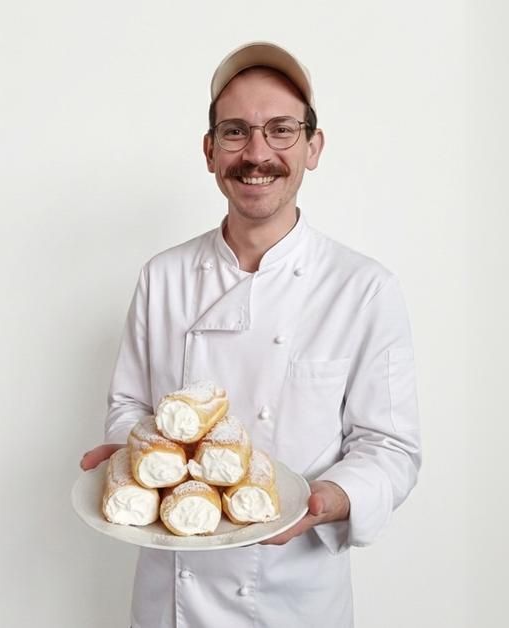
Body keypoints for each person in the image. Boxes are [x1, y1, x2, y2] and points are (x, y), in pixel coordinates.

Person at [79, 41, 422, 628]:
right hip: (171, 600)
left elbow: (390, 449)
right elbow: (129, 406)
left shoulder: (362, 288)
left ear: (314, 147)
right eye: (235, 132)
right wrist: (135, 456)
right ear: (210, 152)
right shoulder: (162, 277)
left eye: (281, 130)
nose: (256, 154)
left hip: (295, 600)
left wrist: (321, 503)